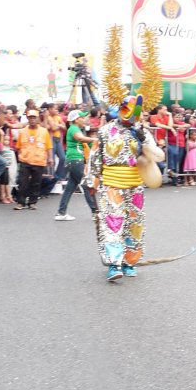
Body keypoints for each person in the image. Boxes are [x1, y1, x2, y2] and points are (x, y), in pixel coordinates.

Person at [88, 95, 157, 282]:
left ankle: (129, 262)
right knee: (113, 223)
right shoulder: (105, 131)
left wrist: (145, 140)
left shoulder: (142, 132)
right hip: (112, 185)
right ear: (120, 110)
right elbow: (95, 157)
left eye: (135, 113)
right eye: (127, 111)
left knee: (134, 226)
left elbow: (157, 156)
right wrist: (92, 182)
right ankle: (114, 264)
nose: (130, 116)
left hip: (135, 186)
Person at [55, 110, 97, 221]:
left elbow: (85, 142)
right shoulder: (74, 128)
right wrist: (95, 139)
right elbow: (80, 138)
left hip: (73, 161)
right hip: (75, 161)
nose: (84, 119)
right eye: (82, 118)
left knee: (69, 188)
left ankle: (61, 212)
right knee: (87, 185)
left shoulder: (75, 128)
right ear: (76, 119)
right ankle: (96, 212)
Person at [14, 109, 53, 210]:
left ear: (38, 118)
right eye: (30, 117)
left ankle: (32, 202)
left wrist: (50, 158)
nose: (32, 120)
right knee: (23, 182)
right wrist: (21, 157)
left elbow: (49, 146)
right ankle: (21, 202)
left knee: (36, 183)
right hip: (25, 161)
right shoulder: (22, 131)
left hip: (39, 161)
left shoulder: (44, 132)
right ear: (27, 119)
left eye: (34, 117)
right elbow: (18, 147)